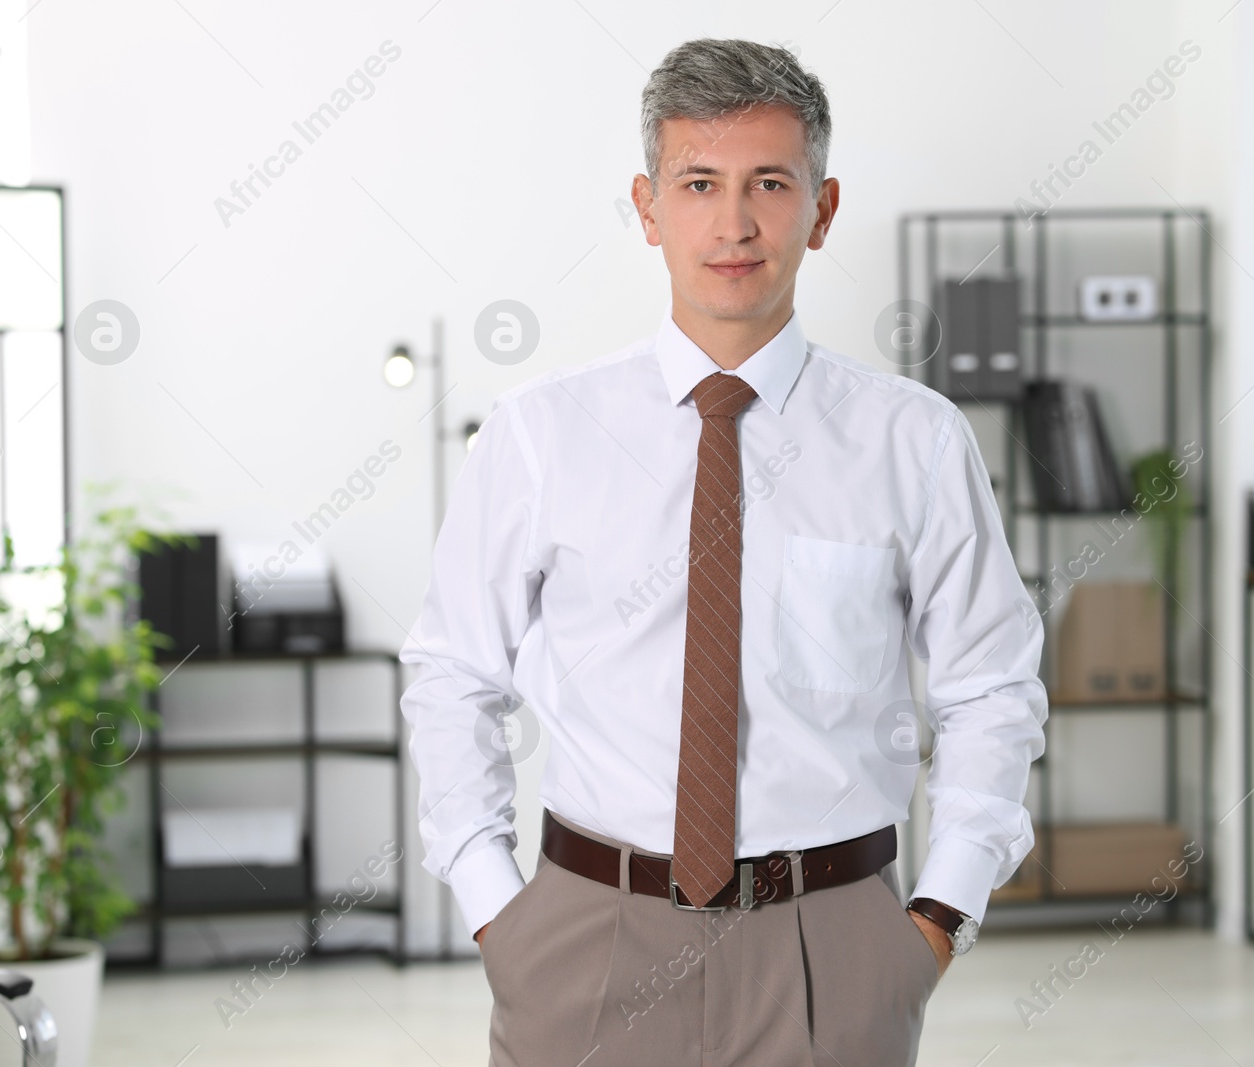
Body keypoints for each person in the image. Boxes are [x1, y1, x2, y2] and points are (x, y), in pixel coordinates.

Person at [400, 37, 1047, 1067]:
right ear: (648, 207)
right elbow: (451, 675)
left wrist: (932, 920)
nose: (734, 222)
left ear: (820, 209)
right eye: (698, 183)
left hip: (831, 941)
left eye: (769, 184)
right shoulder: (539, 433)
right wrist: (498, 913)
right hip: (585, 934)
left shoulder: (913, 440)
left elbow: (991, 687)